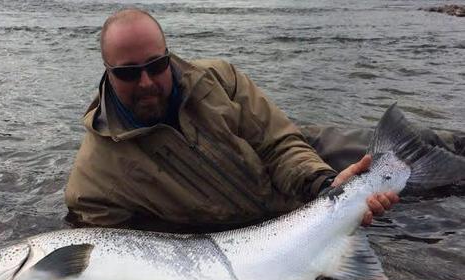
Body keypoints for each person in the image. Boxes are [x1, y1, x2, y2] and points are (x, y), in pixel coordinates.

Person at [64, 8, 460, 232]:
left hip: (301, 159)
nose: (147, 81)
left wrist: (324, 184)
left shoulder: (217, 78)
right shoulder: (93, 181)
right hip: (260, 220)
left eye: (156, 65)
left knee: (415, 149)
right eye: (129, 73)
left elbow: (278, 143)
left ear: (169, 55)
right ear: (106, 71)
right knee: (423, 212)